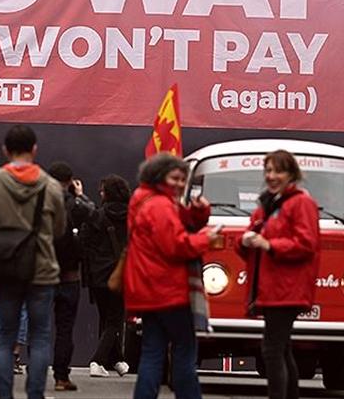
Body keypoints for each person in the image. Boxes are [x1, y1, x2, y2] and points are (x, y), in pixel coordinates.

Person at [0, 125, 67, 399]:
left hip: (6, 268)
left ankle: (5, 396)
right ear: (34, 149)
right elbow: (60, 228)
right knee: (39, 337)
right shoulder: (50, 186)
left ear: (5, 150)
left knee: (5, 337)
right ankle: (35, 394)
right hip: (42, 270)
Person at [125, 153, 218, 399]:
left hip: (148, 291)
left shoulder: (145, 200)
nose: (179, 184)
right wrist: (205, 239)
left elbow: (179, 224)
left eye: (182, 179)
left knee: (152, 353)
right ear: (159, 176)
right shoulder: (161, 206)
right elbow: (177, 245)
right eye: (174, 178)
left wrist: (199, 213)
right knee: (185, 354)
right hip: (169, 291)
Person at [238, 150, 320, 399]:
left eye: (278, 171)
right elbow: (251, 244)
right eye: (269, 170)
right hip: (272, 288)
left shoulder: (301, 203)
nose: (272, 176)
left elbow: (306, 244)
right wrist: (244, 241)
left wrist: (269, 245)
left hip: (287, 289)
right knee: (281, 349)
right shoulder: (267, 205)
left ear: (291, 174)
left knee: (272, 350)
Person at [48, 161, 95, 392]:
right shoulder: (76, 205)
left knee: (40, 328)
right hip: (69, 276)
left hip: (43, 275)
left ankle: (36, 377)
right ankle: (61, 377)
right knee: (65, 328)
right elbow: (93, 214)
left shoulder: (41, 203)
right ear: (69, 182)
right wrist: (80, 195)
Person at [82, 175, 132, 378]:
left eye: (103, 190)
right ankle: (105, 360)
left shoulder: (97, 216)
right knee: (115, 319)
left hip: (99, 275)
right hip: (121, 273)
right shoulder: (133, 216)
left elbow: (84, 242)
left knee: (106, 318)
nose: (100, 193)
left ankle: (109, 360)